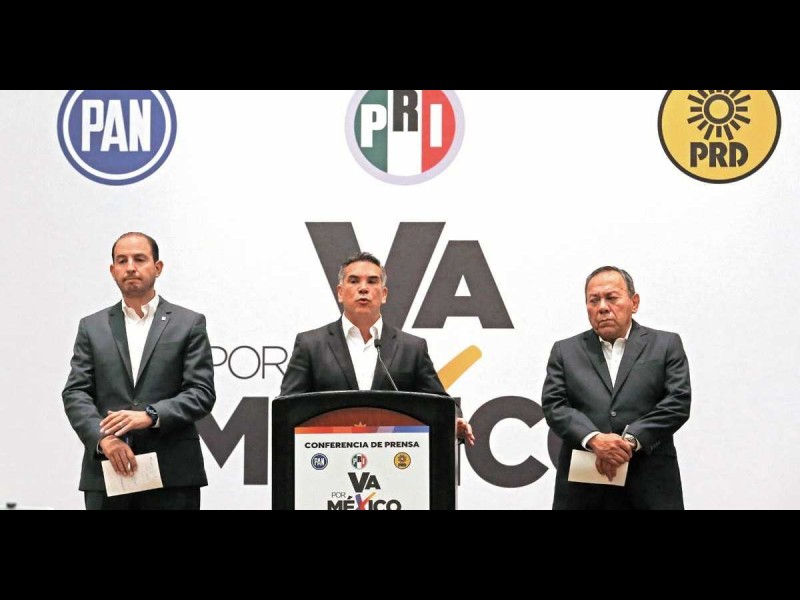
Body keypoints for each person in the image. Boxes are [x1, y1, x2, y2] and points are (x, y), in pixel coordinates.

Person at [62, 232, 216, 510]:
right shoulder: (92, 326)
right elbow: (76, 392)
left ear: (158, 267)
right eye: (122, 261)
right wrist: (103, 439)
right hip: (108, 472)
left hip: (172, 475)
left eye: (139, 259)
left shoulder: (189, 323)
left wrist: (151, 415)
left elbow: (201, 393)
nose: (130, 267)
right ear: (113, 271)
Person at [280, 252, 474, 445]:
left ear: (384, 294)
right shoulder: (311, 345)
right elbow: (287, 408)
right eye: (354, 281)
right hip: (327, 455)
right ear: (340, 292)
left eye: (372, 281)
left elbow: (440, 403)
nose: (363, 288)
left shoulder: (411, 348)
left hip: (394, 455)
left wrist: (454, 420)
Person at [541, 266, 691, 510]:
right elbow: (554, 406)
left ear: (634, 302)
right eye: (594, 300)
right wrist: (595, 439)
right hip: (583, 489)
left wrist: (628, 442)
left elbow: (677, 403)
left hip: (651, 485)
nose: (602, 307)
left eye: (611, 298)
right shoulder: (565, 351)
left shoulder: (665, 344)